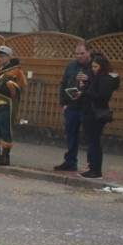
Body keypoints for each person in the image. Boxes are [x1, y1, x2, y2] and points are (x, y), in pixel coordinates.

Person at [0, 46, 27, 167]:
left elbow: (12, 89)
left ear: (9, 57)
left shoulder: (16, 72)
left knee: (5, 131)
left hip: (6, 105)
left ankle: (5, 157)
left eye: (2, 56)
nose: (0, 59)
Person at [77, 52, 119, 180]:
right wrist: (85, 88)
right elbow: (92, 91)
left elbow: (102, 97)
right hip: (90, 112)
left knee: (94, 142)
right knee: (91, 141)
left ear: (102, 67)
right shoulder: (95, 78)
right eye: (93, 67)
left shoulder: (105, 80)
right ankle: (92, 167)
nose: (93, 69)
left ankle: (96, 170)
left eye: (96, 67)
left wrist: (85, 94)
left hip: (97, 113)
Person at [54, 41, 93, 173]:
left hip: (86, 106)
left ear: (89, 52)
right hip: (71, 106)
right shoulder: (71, 66)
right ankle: (70, 162)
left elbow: (101, 84)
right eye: (77, 53)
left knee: (90, 136)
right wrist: (63, 103)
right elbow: (64, 84)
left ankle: (92, 165)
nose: (79, 56)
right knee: (71, 135)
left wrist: (88, 78)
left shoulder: (94, 66)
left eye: (82, 53)